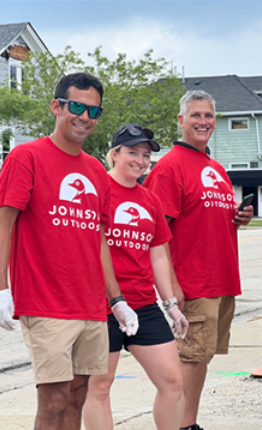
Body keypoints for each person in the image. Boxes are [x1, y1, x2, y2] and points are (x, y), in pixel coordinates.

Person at [0, 73, 138, 430]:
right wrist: (1, 288)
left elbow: (99, 239)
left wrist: (117, 299)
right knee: (54, 399)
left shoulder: (95, 170)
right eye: (77, 106)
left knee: (79, 395)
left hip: (90, 305)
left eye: (93, 110)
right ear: (57, 107)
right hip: (45, 301)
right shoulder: (25, 156)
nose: (85, 116)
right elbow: (4, 226)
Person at [143, 90, 253, 430]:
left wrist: (239, 216)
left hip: (221, 280)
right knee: (186, 362)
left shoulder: (215, 168)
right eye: (195, 115)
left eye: (208, 116)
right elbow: (158, 234)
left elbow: (203, 216)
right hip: (193, 283)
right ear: (181, 120)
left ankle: (188, 424)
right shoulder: (169, 168)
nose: (203, 121)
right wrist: (172, 286)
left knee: (202, 357)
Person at [83, 124, 189, 430]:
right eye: (132, 153)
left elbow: (158, 254)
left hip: (143, 305)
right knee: (100, 387)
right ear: (115, 154)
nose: (140, 161)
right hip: (100, 307)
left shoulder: (150, 199)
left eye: (145, 156)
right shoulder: (97, 190)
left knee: (173, 382)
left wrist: (170, 305)